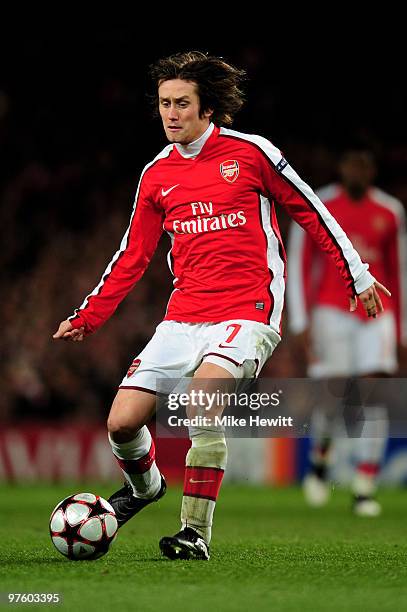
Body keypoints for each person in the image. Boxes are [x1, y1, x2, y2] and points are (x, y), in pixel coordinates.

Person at [53, 52, 390, 560]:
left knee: (202, 398)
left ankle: (194, 533)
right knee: (122, 422)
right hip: (183, 314)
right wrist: (88, 316)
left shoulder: (251, 153)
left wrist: (356, 273)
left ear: (206, 107)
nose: (171, 113)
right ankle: (145, 489)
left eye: (182, 104)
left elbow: (310, 211)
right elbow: (133, 255)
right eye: (164, 103)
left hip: (248, 308)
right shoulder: (157, 174)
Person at [287, 149, 406, 516]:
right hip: (331, 313)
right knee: (333, 398)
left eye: (365, 165)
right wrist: (299, 322)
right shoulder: (319, 203)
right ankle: (321, 461)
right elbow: (299, 261)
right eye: (352, 163)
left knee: (372, 392)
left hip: (376, 313)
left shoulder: (389, 211)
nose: (358, 171)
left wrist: (402, 332)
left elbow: (398, 271)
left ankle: (364, 487)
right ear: (341, 168)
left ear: (372, 170)